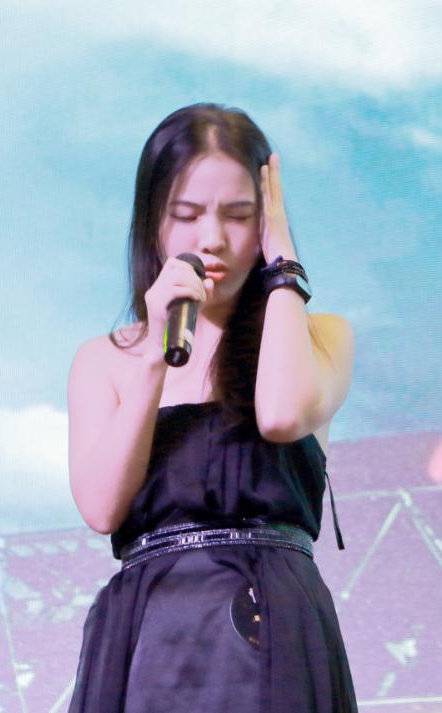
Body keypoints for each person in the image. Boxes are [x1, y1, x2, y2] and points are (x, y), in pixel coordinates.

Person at [65, 103, 358, 712]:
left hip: (273, 633)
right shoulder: (104, 359)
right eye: (187, 215)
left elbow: (280, 415)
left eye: (240, 215)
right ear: (152, 221)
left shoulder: (320, 337)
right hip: (149, 641)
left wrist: (284, 268)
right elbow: (100, 507)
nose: (213, 239)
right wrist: (155, 355)